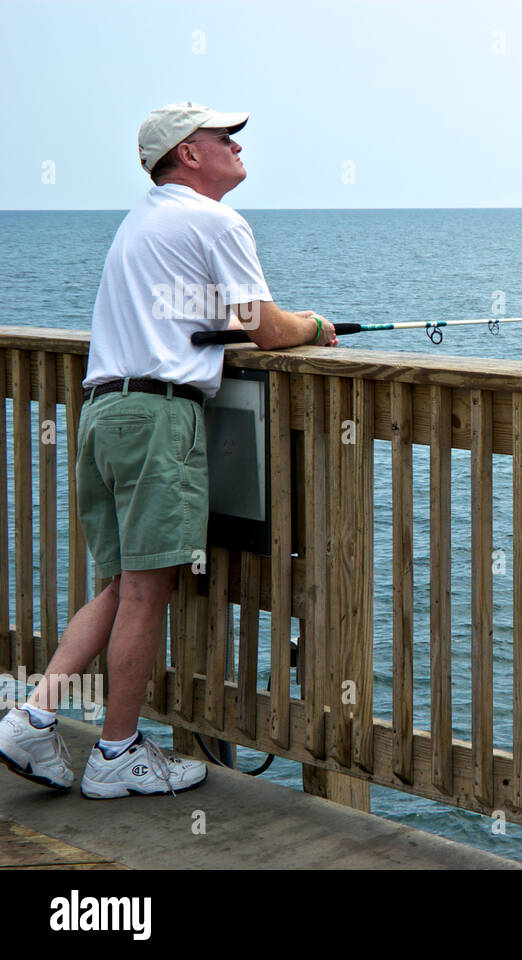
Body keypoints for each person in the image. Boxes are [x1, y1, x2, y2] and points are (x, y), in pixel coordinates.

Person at [0, 101, 337, 798]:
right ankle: (116, 753)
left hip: (103, 412)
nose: (238, 146)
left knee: (121, 583)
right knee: (148, 592)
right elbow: (267, 329)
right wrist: (316, 323)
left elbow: (195, 314)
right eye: (224, 137)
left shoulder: (142, 223)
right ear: (188, 153)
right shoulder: (216, 221)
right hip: (158, 419)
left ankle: (33, 716)